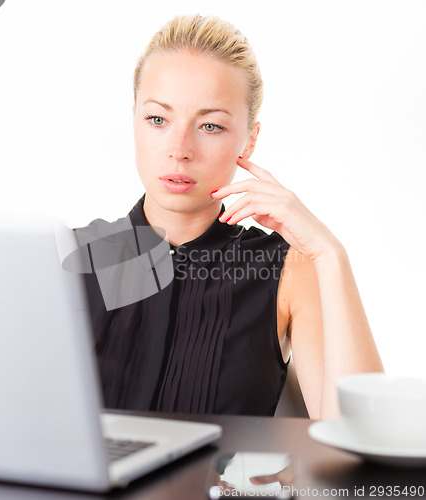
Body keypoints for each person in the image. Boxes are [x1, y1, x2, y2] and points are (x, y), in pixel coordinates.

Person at [80, 14, 384, 420]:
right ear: (134, 118)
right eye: (158, 119)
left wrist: (329, 253)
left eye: (210, 125)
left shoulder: (291, 268)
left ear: (250, 139)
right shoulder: (67, 257)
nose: (179, 149)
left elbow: (364, 440)